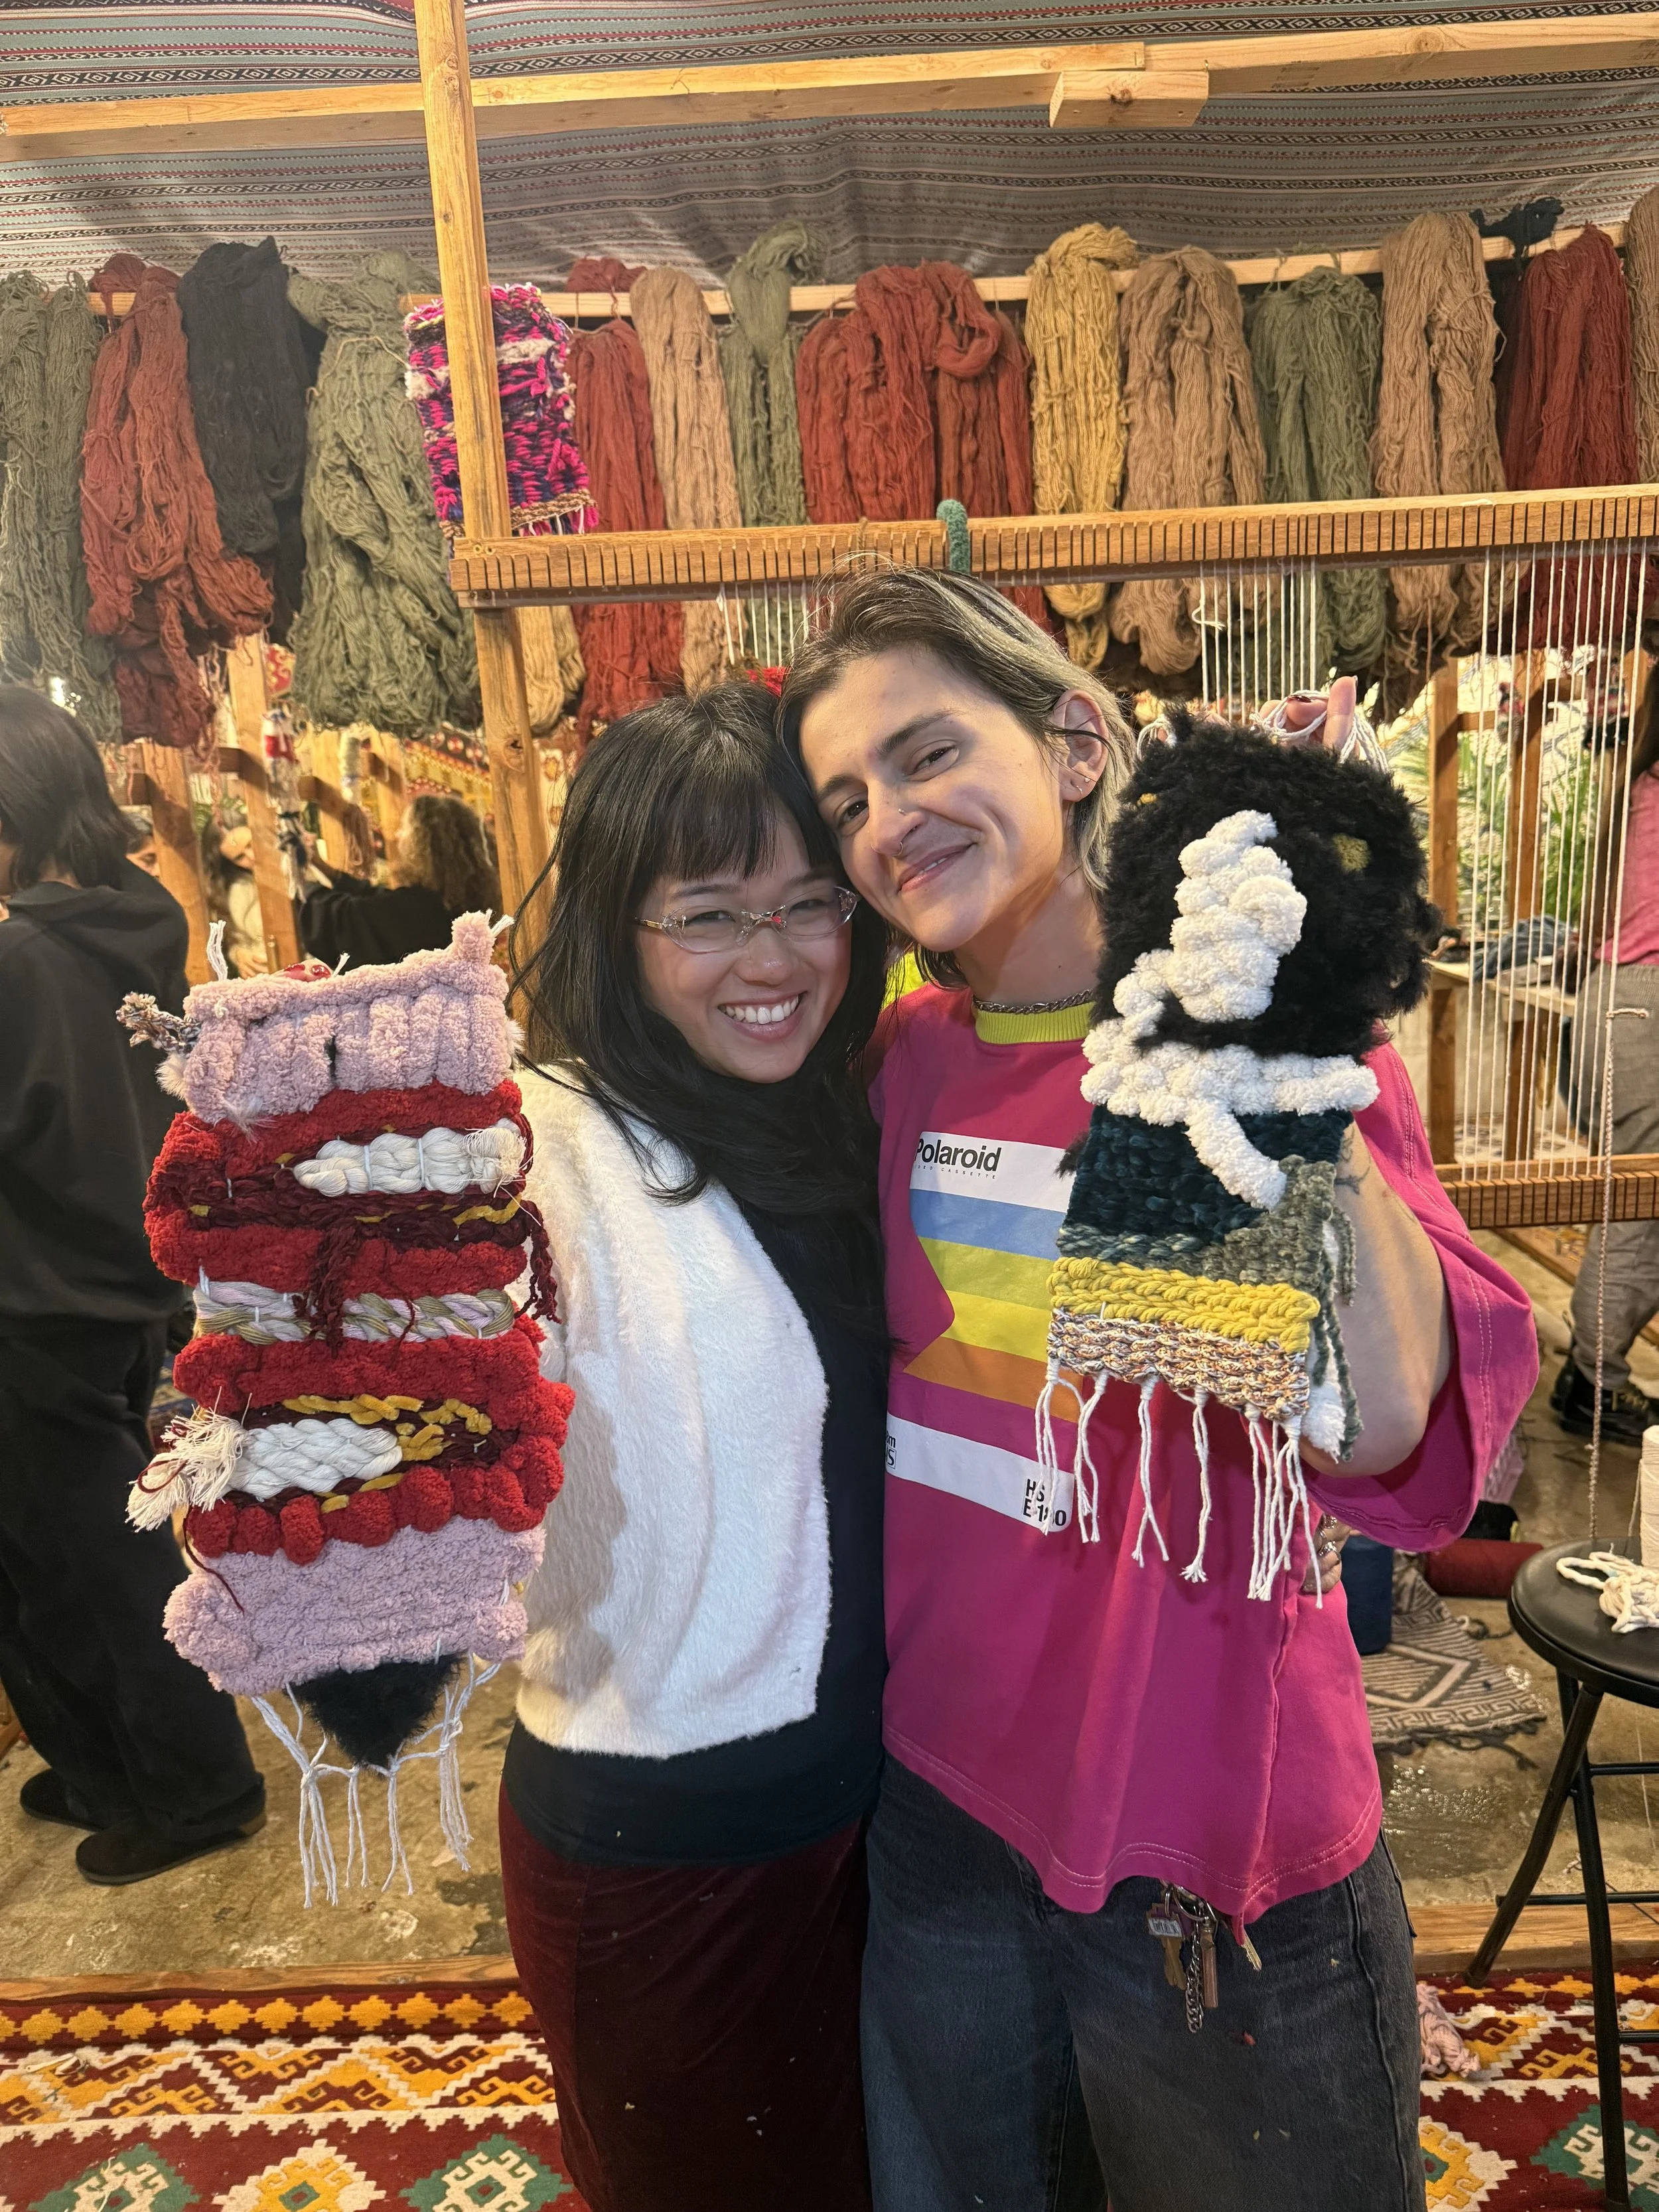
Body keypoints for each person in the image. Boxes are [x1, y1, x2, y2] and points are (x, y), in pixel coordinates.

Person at [780, 571, 1538, 2212]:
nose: (888, 822)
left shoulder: (1242, 1043)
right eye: (847, 799)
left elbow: (1399, 1437)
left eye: (924, 754)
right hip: (945, 1827)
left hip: (1214, 1860)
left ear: (1071, 739)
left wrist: (1288, 1045)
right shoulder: (904, 1066)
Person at [499, 682, 889, 2212]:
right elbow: (417, 1361)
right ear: (616, 925)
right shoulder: (533, 1152)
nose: (778, 961)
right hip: (663, 1854)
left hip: (862, 1812)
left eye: (811, 906)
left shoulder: (839, 1115)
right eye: (711, 915)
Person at [0, 687, 265, 1884]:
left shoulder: (19, 953)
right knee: (85, 1546)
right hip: (123, 1275)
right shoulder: (140, 912)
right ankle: (116, 1764)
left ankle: (197, 1785)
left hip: (33, 1295)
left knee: (80, 1562)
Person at [1552, 682, 1659, 1445]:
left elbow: (1595, 916)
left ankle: (1590, 1373)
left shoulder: (1638, 787)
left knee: (1631, 1200)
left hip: (1607, 993)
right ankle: (1595, 1384)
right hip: (1642, 1004)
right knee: (1637, 1208)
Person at [300, 791, 499, 968]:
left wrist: (300, 880)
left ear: (423, 843)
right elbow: (378, 898)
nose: (398, 835)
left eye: (405, 828)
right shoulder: (452, 902)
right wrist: (321, 865)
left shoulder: (417, 909)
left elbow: (350, 917)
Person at [198, 818, 269, 977]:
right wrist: (239, 954)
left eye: (252, 844)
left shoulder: (295, 865)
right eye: (239, 857)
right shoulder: (239, 890)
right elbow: (236, 940)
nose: (252, 856)